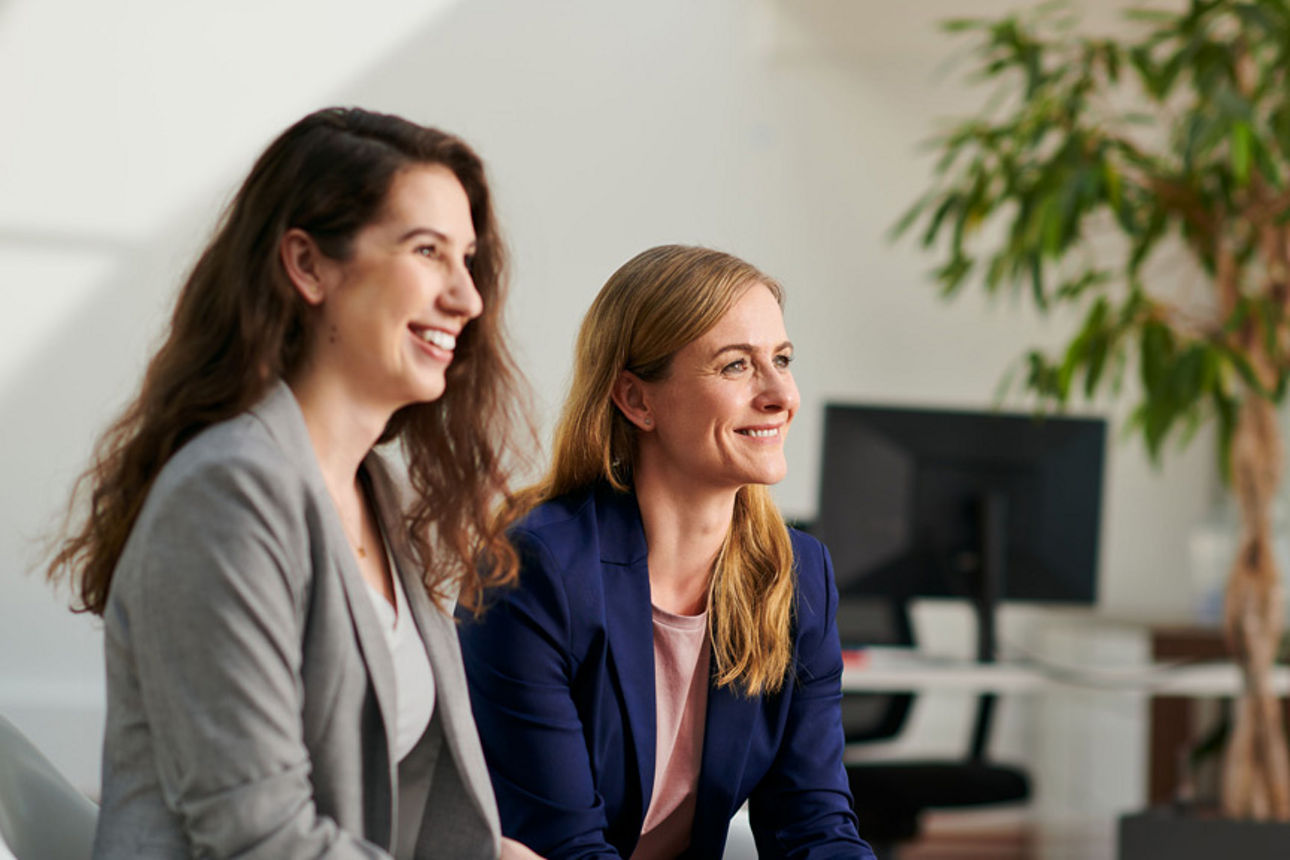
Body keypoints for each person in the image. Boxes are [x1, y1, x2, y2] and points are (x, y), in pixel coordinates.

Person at [47, 107, 541, 859]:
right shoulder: (228, 494)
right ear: (308, 266)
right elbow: (258, 836)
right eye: (427, 251)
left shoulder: (373, 491)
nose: (468, 298)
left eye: (467, 259)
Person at [457, 245, 876, 859]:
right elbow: (565, 847)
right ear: (637, 400)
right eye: (736, 365)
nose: (780, 394)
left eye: (782, 360)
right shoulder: (533, 570)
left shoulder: (796, 574)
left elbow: (814, 828)